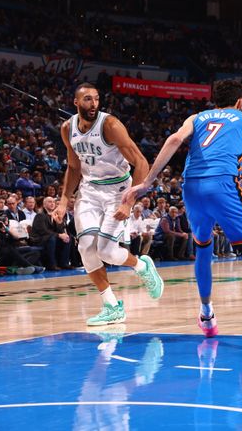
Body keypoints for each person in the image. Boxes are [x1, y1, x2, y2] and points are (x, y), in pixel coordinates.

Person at [122, 80, 242, 351]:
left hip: (191, 187)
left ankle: (207, 315)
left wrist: (147, 183)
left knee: (203, 247)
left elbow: (174, 140)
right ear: (240, 101)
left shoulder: (196, 117)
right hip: (223, 184)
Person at [52, 83, 163, 326]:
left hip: (118, 190)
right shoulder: (67, 128)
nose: (93, 104)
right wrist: (63, 202)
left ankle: (141, 265)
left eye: (96, 99)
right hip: (90, 191)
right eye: (88, 99)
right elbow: (73, 167)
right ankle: (112, 306)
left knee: (107, 252)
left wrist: (130, 201)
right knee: (86, 248)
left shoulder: (110, 125)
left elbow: (141, 161)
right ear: (76, 102)